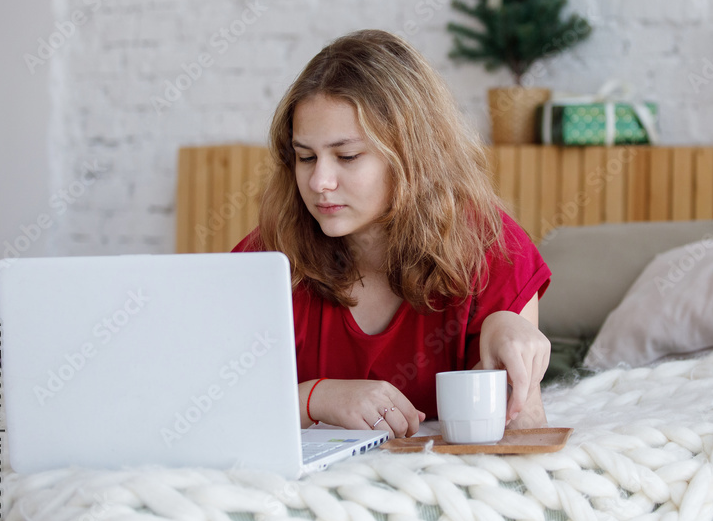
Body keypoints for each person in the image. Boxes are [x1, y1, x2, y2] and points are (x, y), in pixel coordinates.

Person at [232, 29, 552, 439]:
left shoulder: (489, 245)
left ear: (412, 156)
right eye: (305, 157)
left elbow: (526, 437)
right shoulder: (266, 257)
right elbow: (201, 404)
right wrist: (315, 399)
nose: (319, 182)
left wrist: (509, 329)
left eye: (347, 156)